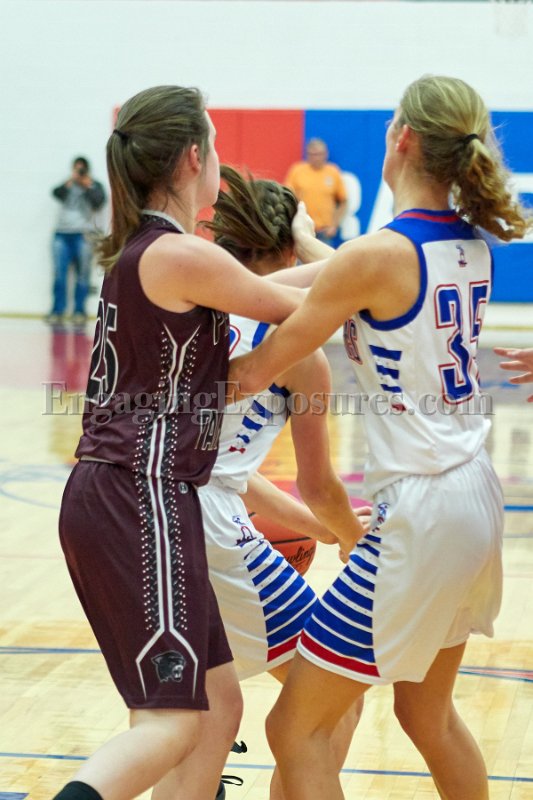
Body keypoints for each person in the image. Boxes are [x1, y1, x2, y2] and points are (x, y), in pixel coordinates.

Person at [230, 75, 533, 799]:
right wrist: (302, 239)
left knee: (294, 729)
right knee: (427, 714)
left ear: (401, 138)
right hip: (474, 497)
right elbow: (344, 272)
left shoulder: (376, 256)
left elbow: (259, 366)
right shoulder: (467, 244)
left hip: (421, 513)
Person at [53, 85, 320, 800]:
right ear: (194, 157)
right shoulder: (176, 254)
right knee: (169, 723)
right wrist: (382, 283)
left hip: (128, 493)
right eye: (217, 146)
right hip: (138, 496)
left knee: (217, 706)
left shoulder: (158, 252)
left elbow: (295, 282)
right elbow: (303, 306)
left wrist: (355, 264)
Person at [154, 165, 366, 800]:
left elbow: (231, 472)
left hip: (146, 512)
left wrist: (322, 531)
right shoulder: (296, 348)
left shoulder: (187, 309)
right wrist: (355, 537)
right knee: (334, 694)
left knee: (196, 719)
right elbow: (318, 484)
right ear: (289, 251)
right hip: (210, 525)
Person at [47, 157, 106, 326]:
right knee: (60, 275)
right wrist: (70, 181)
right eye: (76, 169)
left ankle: (79, 311)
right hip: (62, 234)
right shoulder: (68, 184)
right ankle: (57, 311)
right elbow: (56, 193)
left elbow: (99, 202)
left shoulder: (94, 185)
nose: (79, 173)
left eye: (81, 170)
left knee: (83, 275)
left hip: (83, 235)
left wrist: (87, 185)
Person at [285, 138, 347, 246]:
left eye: (319, 154)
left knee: (325, 257)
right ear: (307, 155)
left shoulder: (333, 172)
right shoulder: (297, 171)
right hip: (303, 229)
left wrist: (334, 225)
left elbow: (343, 201)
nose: (316, 158)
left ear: (326, 154)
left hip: (324, 231)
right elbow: (287, 197)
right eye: (312, 154)